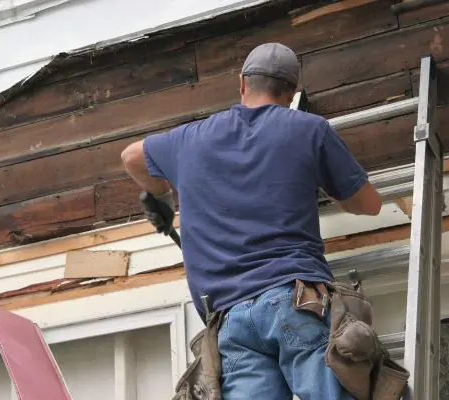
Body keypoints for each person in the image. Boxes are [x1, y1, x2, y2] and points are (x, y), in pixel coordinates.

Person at [120, 43, 382, 400]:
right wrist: (316, 181)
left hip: (230, 322)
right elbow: (368, 204)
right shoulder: (309, 129)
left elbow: (131, 156)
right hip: (294, 300)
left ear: (242, 83)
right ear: (291, 93)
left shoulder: (189, 140)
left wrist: (165, 194)